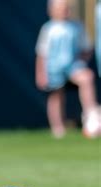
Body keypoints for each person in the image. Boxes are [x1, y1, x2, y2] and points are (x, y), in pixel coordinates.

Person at [35, 0, 101, 139]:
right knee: (56, 96)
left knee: (87, 77)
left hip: (72, 66)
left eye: (67, 9)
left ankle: (91, 115)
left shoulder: (76, 27)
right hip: (54, 69)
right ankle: (58, 129)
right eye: (61, 9)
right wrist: (41, 73)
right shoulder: (48, 29)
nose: (66, 12)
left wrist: (81, 61)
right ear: (52, 11)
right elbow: (42, 54)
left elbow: (87, 48)